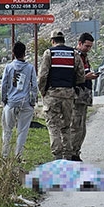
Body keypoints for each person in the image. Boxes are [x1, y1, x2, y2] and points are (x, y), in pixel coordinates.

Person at [38, 30, 85, 160]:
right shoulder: (74, 54)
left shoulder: (49, 53)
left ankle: (57, 156)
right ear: (63, 40)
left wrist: (43, 91)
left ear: (53, 41)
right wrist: (73, 87)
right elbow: (81, 75)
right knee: (66, 127)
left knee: (53, 127)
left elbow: (42, 76)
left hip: (52, 95)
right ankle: (68, 156)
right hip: (69, 95)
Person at [0, 41, 38, 159]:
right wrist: (32, 101)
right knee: (22, 130)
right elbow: (34, 86)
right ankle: (18, 155)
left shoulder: (8, 67)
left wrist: (4, 99)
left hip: (11, 102)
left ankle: (5, 154)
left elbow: (3, 85)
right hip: (25, 103)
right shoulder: (30, 68)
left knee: (7, 129)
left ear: (13, 53)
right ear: (24, 53)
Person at [71, 32, 100, 162]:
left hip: (84, 97)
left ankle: (76, 151)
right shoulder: (74, 57)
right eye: (86, 46)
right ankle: (71, 153)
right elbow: (71, 77)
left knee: (82, 127)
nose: (88, 49)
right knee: (75, 126)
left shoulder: (85, 57)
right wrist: (85, 77)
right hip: (76, 96)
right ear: (80, 43)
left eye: (90, 47)